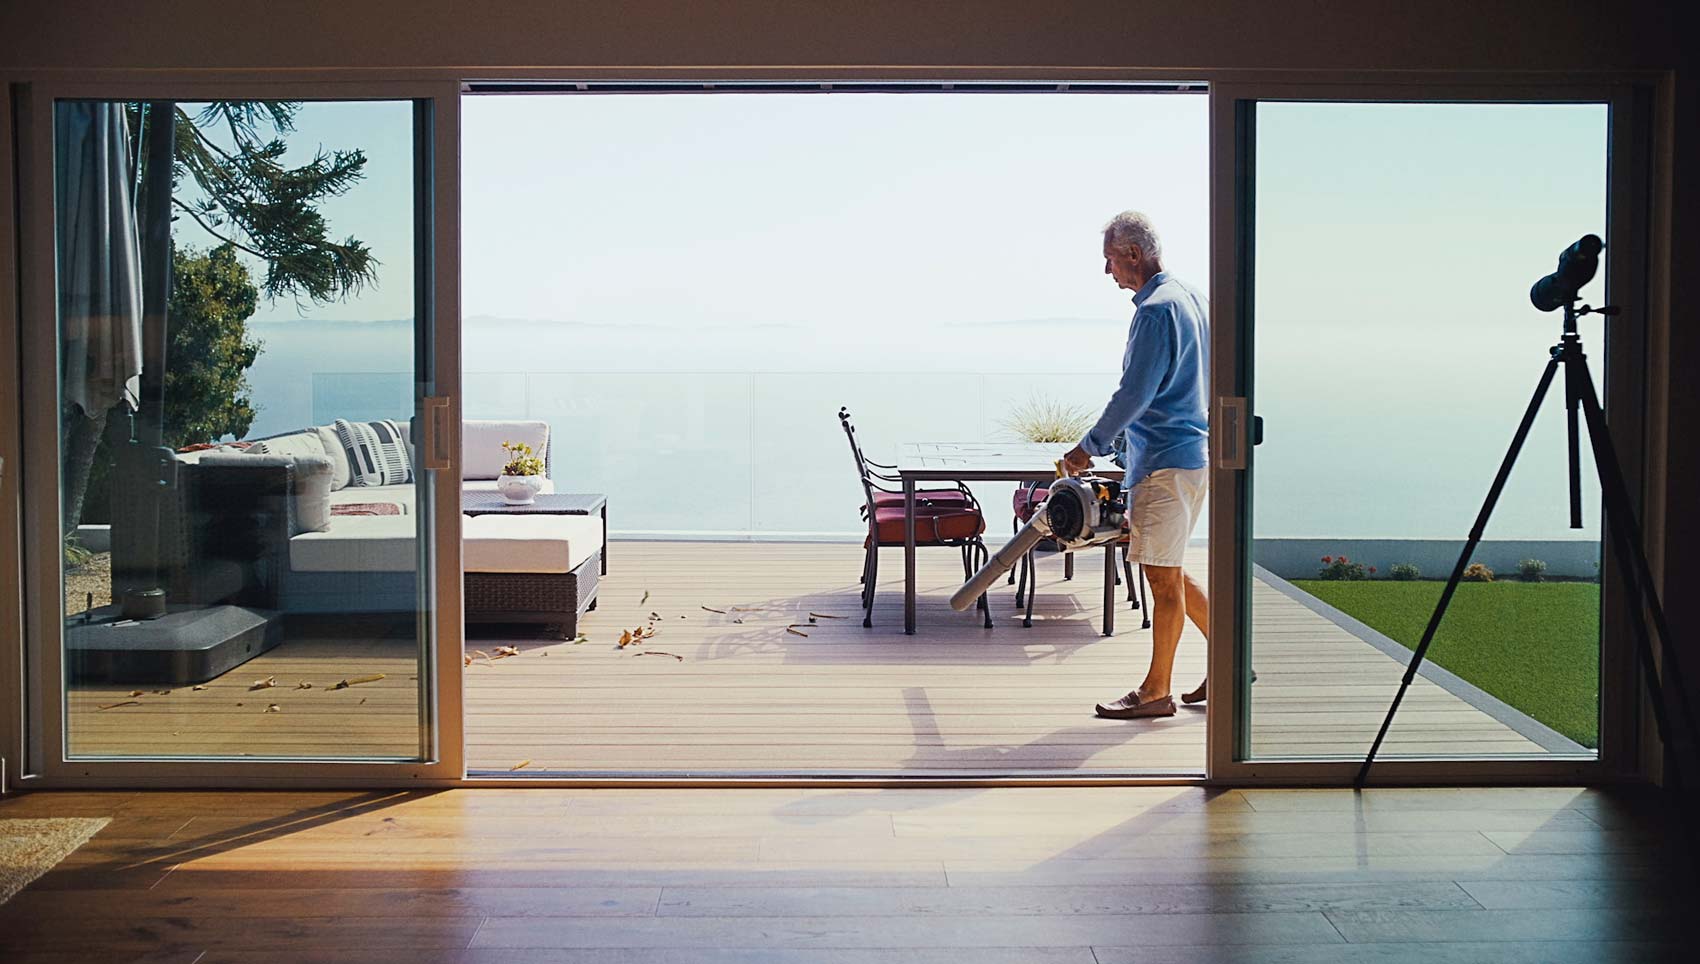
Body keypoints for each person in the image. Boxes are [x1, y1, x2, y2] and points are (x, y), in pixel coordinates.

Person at [1062, 210, 1211, 719]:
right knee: (1168, 569)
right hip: (1195, 458)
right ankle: (1234, 664)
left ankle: (1155, 693)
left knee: (1163, 584)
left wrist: (1090, 445)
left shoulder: (1153, 311)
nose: (1108, 273)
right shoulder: (1192, 299)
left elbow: (1135, 393)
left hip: (1164, 462)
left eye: (1110, 260)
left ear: (1132, 253)